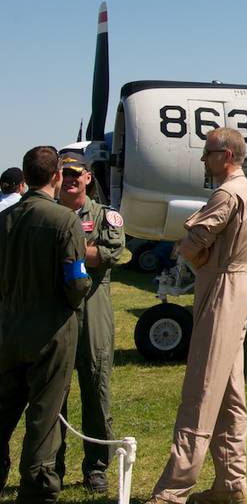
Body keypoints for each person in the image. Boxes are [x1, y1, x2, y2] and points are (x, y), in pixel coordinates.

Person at [147, 127, 247, 504]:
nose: (203, 159)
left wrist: (188, 245)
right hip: (233, 287)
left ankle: (172, 491)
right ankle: (231, 484)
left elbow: (192, 248)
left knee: (201, 390)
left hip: (222, 291)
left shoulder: (226, 194)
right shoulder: (244, 191)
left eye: (209, 152)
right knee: (229, 393)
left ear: (226, 155)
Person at [0, 146, 90, 503]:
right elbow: (76, 279)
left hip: (8, 328)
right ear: (55, 177)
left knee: (4, 409)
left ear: (24, 178)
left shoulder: (5, 218)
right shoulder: (63, 220)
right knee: (44, 417)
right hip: (50, 330)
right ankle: (37, 489)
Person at [54, 151, 125, 494]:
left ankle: (96, 467)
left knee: (97, 387)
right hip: (55, 311)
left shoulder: (105, 215)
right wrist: (86, 248)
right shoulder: (47, 213)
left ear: (87, 178)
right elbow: (92, 254)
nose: (69, 178)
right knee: (54, 392)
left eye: (75, 173)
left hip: (93, 307)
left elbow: (110, 254)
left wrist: (66, 246)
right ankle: (51, 466)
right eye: (63, 173)